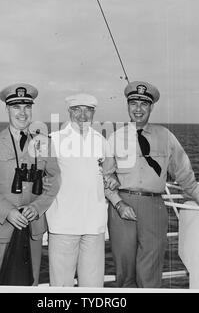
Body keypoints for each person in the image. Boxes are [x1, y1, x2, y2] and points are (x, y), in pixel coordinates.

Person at [105, 80, 199, 288]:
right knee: (124, 271)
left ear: (151, 107)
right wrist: (118, 203)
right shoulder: (114, 137)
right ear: (127, 106)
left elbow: (184, 173)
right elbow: (105, 176)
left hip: (153, 207)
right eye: (133, 104)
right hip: (121, 206)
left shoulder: (166, 136)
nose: (138, 109)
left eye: (144, 104)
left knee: (150, 272)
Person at [0, 83, 60, 285]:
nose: (22, 113)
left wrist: (37, 207)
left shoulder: (44, 143)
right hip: (0, 227)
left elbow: (55, 178)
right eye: (16, 107)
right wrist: (8, 212)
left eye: (27, 107)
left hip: (32, 227)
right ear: (7, 109)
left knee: (31, 284)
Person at [46, 93, 119, 287]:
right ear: (69, 111)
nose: (83, 115)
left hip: (94, 224)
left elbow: (109, 175)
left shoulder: (102, 141)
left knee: (93, 285)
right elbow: (42, 176)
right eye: (77, 109)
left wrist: (112, 180)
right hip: (63, 224)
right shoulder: (53, 140)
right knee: (61, 286)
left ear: (94, 112)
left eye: (88, 110)